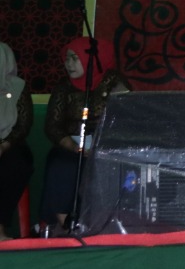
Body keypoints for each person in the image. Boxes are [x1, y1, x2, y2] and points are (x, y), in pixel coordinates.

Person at [40, 37, 130, 234]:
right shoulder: (64, 87)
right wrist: (74, 147)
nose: (69, 64)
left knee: (110, 168)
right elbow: (52, 125)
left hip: (106, 146)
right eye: (67, 58)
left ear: (91, 60)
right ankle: (64, 225)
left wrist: (100, 146)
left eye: (75, 58)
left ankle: (104, 225)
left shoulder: (114, 83)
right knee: (61, 165)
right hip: (71, 145)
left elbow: (126, 119)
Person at [0, 43, 34, 240]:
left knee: (15, 165)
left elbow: (23, 125)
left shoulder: (17, 87)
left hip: (10, 143)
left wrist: (4, 145)